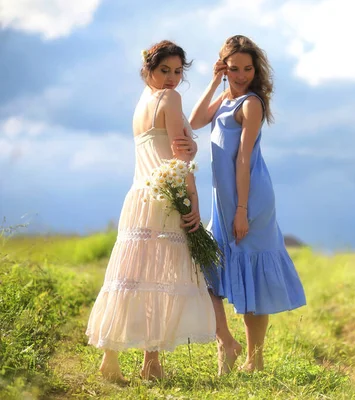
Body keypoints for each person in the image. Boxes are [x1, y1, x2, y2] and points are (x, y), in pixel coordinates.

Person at [85, 40, 216, 384]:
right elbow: (179, 160)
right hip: (165, 198)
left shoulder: (142, 102)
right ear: (148, 69)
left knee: (129, 277)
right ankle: (151, 363)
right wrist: (194, 204)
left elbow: (167, 147)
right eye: (164, 71)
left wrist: (191, 142)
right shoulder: (170, 99)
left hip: (138, 197)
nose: (172, 79)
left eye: (177, 72)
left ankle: (111, 360)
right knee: (160, 278)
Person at [189, 35, 306, 374]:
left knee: (252, 272)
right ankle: (227, 341)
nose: (241, 75)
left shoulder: (251, 104)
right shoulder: (225, 97)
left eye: (247, 69)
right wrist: (214, 82)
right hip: (223, 202)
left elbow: (243, 160)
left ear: (256, 70)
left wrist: (242, 211)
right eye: (234, 68)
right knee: (208, 271)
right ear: (224, 67)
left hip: (250, 199)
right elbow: (196, 121)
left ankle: (256, 358)